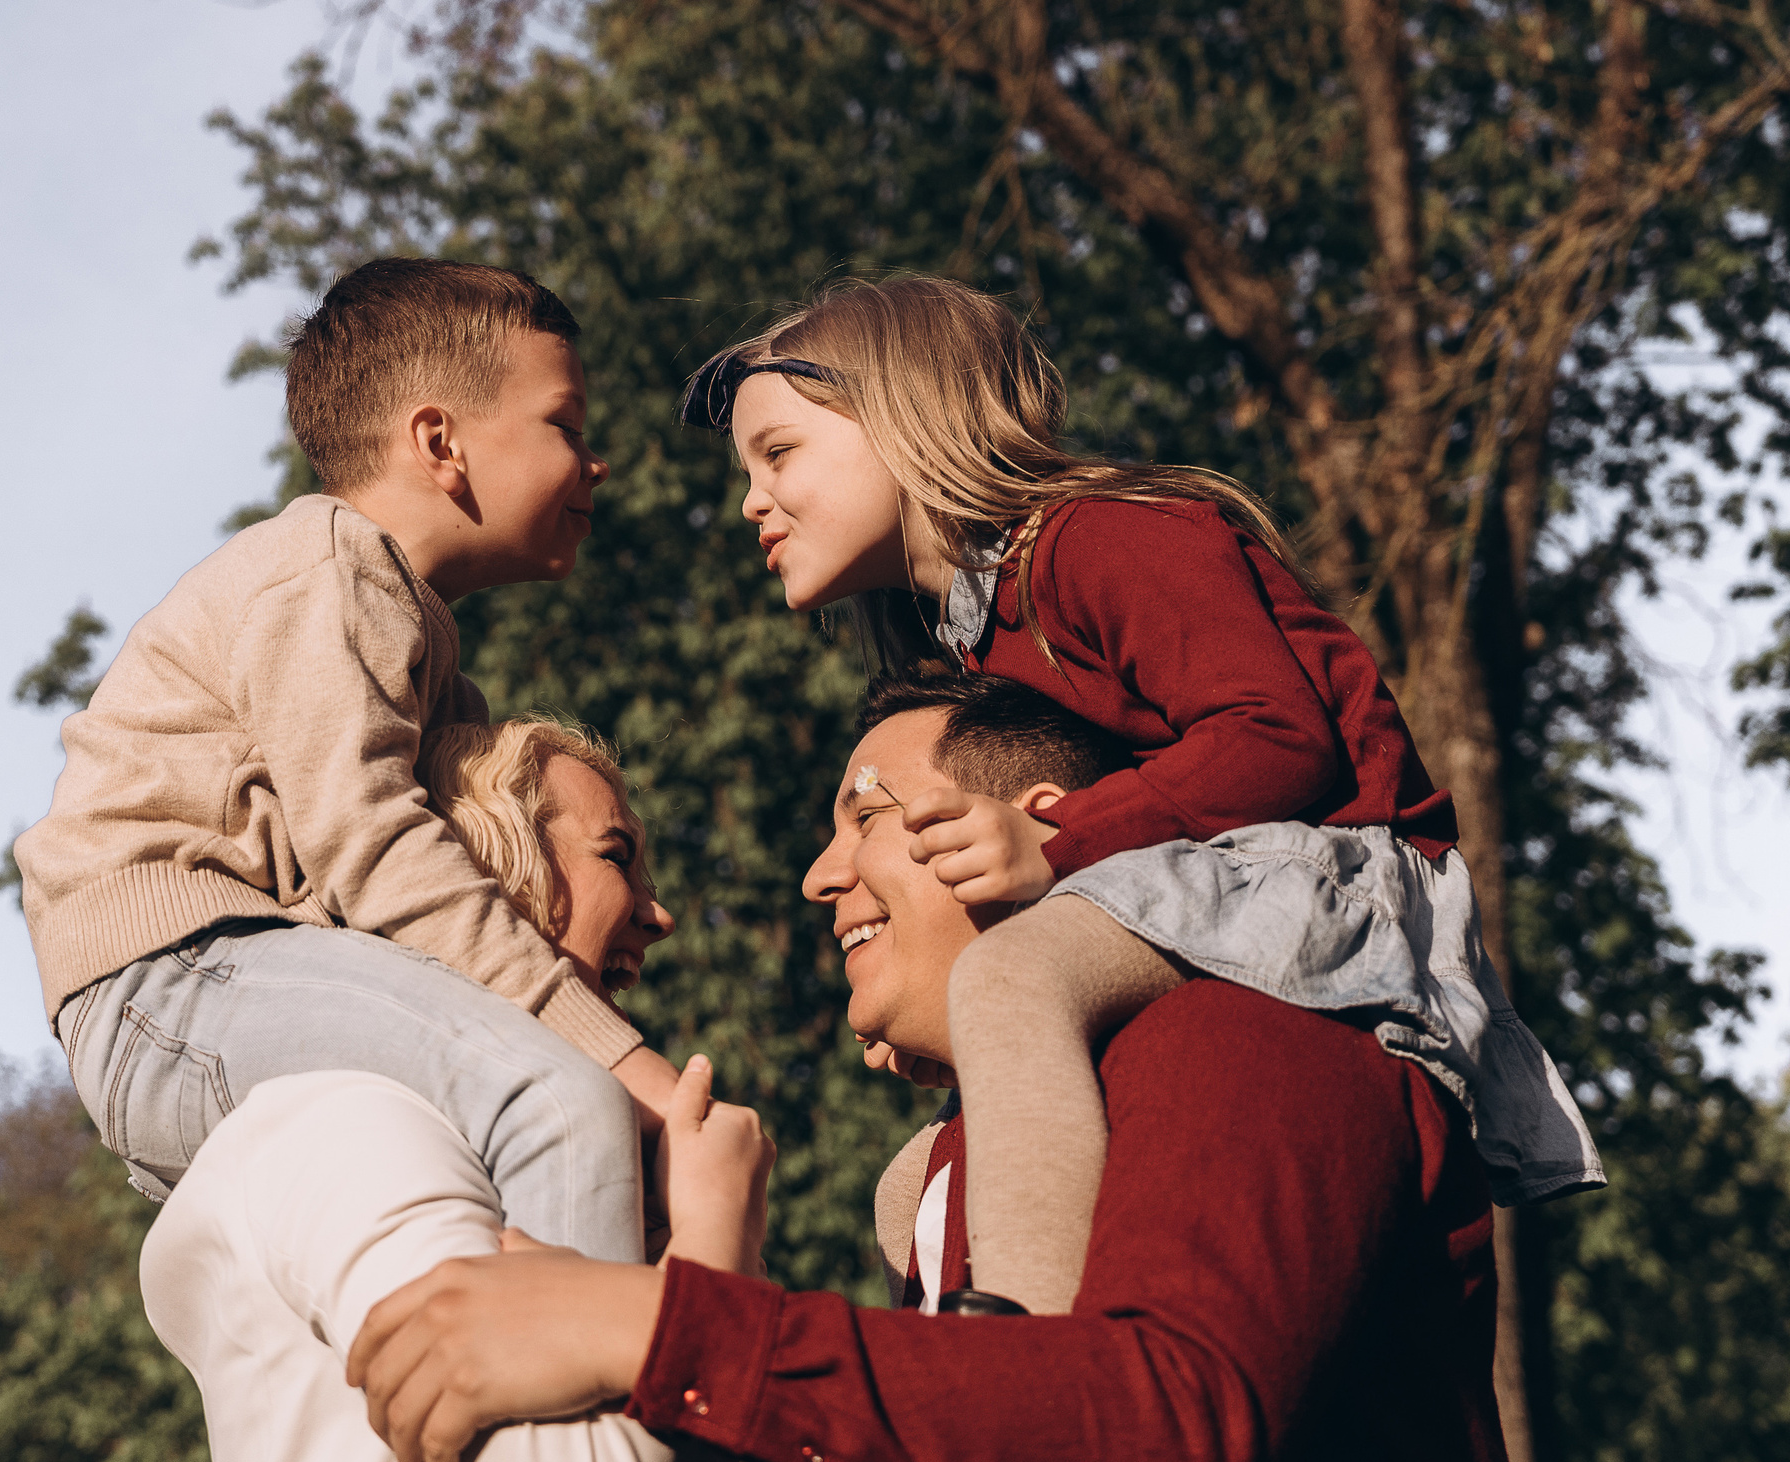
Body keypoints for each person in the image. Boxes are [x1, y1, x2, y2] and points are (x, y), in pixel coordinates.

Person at [345, 673, 1528, 1462]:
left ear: (1048, 828)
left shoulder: (1240, 1038)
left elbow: (1171, 1439)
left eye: (866, 813)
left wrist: (653, 1324)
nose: (818, 875)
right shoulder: (962, 1174)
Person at [677, 274, 1601, 1316]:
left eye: (779, 454)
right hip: (1210, 873)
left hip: (1323, 867)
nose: (751, 499)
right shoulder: (972, 629)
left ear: (903, 421)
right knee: (910, 1188)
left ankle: (1034, 1345)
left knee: (1013, 984)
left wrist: (1057, 847)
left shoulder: (1100, 537)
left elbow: (1277, 737)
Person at [15, 257, 729, 1266]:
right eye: (565, 427)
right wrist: (632, 1069)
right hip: (176, 981)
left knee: (502, 1159)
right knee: (560, 1097)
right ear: (439, 441)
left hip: (232, 988)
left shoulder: (428, 664)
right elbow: (380, 854)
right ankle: (591, 1409)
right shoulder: (329, 568)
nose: (595, 462)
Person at [142, 716, 775, 1462]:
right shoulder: (351, 1125)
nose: (658, 912)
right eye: (618, 857)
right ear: (490, 873)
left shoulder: (545, 1169)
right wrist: (716, 1245)